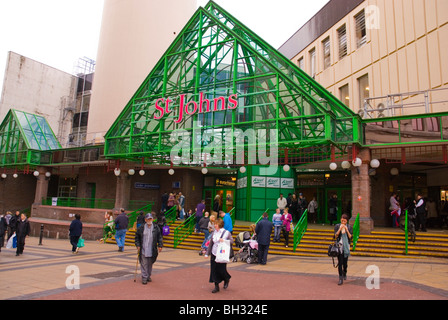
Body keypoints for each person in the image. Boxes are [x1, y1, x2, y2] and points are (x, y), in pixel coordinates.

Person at [204, 218, 233, 293]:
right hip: (214, 253)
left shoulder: (226, 232)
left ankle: (226, 278)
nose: (215, 225)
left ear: (220, 225)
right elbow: (211, 243)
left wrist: (224, 241)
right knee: (213, 270)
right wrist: (207, 253)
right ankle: (216, 286)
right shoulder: (214, 233)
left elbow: (232, 241)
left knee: (222, 270)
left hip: (222, 254)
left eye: (216, 224)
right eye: (215, 224)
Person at [135, 213, 163, 284]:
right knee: (144, 263)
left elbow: (160, 237)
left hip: (152, 249)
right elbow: (137, 237)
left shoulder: (156, 228)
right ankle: (144, 277)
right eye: (148, 219)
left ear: (152, 219)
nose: (149, 220)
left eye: (150, 218)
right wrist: (138, 245)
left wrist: (160, 245)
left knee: (150, 264)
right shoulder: (141, 228)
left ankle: (148, 276)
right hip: (143, 248)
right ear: (145, 220)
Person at [334, 214, 353, 285]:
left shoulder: (349, 227)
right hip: (339, 247)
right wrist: (339, 229)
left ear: (346, 221)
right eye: (342, 220)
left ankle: (345, 271)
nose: (343, 222)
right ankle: (340, 278)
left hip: (346, 247)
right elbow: (335, 236)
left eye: (344, 221)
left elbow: (350, 237)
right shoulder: (337, 226)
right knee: (340, 263)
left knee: (345, 263)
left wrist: (346, 230)